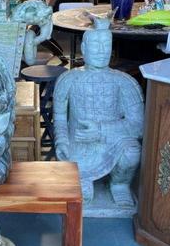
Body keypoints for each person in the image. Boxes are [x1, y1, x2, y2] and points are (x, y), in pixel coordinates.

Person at [53, 13, 144, 205]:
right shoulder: (68, 79)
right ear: (83, 49)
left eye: (106, 45)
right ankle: (84, 178)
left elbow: (138, 125)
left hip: (114, 141)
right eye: (95, 45)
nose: (101, 51)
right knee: (84, 197)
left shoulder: (124, 82)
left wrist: (102, 130)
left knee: (132, 152)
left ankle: (119, 185)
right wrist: (61, 142)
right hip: (79, 145)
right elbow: (60, 117)